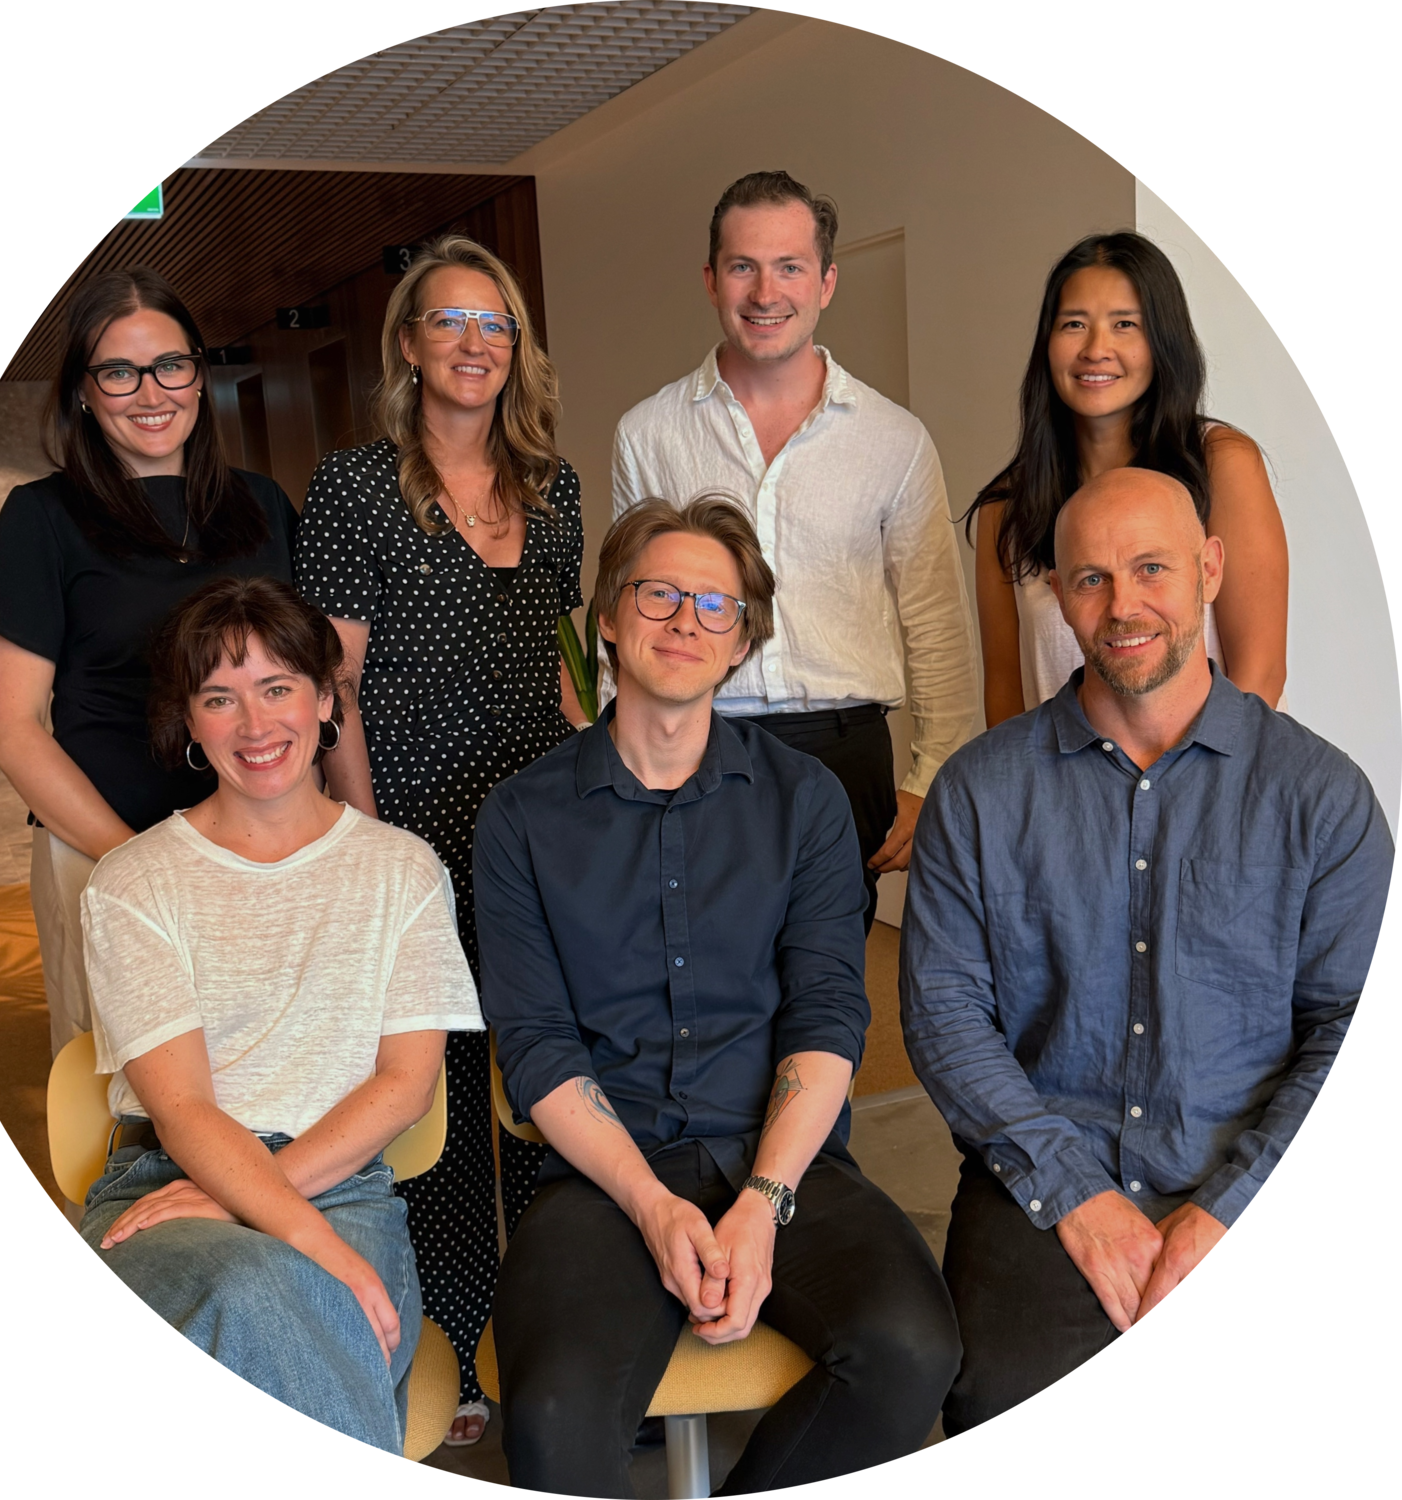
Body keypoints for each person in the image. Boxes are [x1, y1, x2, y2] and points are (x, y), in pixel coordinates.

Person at [476, 496, 961, 1496]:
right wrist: (653, 1207)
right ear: (608, 616)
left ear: (742, 640)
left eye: (716, 605)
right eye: (659, 595)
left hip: (784, 1165)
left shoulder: (804, 802)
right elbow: (535, 1046)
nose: (687, 621)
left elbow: (828, 1015)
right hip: (604, 1180)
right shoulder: (520, 816)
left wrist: (763, 1201)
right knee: (555, 1413)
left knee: (913, 1352)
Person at [900, 468, 1391, 1437]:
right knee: (996, 1398)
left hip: (1244, 1168)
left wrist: (1222, 1212)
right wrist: (1080, 1201)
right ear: (1056, 594)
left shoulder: (1321, 797)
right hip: (1042, 1176)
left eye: (1152, 569)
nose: (1123, 606)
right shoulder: (980, 794)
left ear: (1210, 570)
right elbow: (945, 1017)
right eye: (1090, 579)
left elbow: (1345, 1024)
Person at [79, 575, 483, 1457]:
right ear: (189, 721)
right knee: (260, 1295)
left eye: (277, 688)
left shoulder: (404, 872)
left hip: (345, 1192)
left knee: (256, 1312)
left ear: (325, 699)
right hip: (166, 1190)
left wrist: (266, 1209)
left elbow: (406, 1086)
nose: (256, 727)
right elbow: (181, 1107)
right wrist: (309, 1246)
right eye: (221, 698)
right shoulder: (133, 883)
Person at [293, 234, 587, 1444]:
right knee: (445, 1099)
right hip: (410, 824)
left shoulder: (556, 488)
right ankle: (458, 1353)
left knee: (544, 1075)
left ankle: (552, 1334)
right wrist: (376, 847)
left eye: (496, 324)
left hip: (536, 827)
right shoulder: (358, 490)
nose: (475, 343)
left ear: (517, 350)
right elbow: (335, 690)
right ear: (408, 346)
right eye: (450, 322)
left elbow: (568, 670)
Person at [609, 170, 977, 928]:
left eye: (790, 267)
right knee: (692, 970)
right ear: (712, 279)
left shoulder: (894, 439)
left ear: (827, 281)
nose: (765, 291)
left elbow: (936, 619)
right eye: (744, 266)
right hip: (694, 740)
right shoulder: (649, 434)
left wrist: (930, 775)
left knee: (827, 981)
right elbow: (631, 612)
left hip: (845, 755)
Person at [0, 267, 295, 1059]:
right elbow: (9, 730)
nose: (152, 392)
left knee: (265, 1068)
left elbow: (303, 682)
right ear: (83, 389)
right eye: (119, 371)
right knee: (117, 1092)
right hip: (103, 851)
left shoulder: (262, 505)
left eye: (171, 365)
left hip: (257, 848)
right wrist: (140, 865)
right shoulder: (41, 517)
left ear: (199, 375)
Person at [964, 230, 1289, 726]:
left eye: (1125, 325)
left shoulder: (1221, 464)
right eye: (1074, 323)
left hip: (1215, 790)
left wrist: (1191, 795)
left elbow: (1259, 676)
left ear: (1162, 342)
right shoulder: (1006, 507)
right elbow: (1008, 699)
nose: (1097, 349)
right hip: (1063, 795)